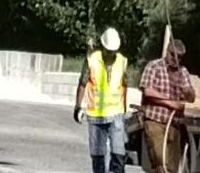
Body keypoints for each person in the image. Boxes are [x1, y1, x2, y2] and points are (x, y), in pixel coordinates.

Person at [76, 27, 130, 173]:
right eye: (108, 50)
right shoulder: (91, 60)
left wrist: (124, 110)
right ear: (103, 47)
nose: (111, 53)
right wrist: (78, 106)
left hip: (116, 113)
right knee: (98, 156)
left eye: (113, 50)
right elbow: (82, 83)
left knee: (119, 154)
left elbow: (124, 86)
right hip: (96, 116)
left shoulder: (122, 61)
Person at [139, 35, 193, 173]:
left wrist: (187, 92)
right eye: (173, 55)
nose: (175, 60)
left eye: (179, 57)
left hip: (174, 124)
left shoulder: (183, 72)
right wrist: (171, 103)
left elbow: (191, 98)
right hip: (155, 121)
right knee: (160, 161)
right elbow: (148, 92)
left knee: (172, 167)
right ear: (167, 52)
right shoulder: (154, 67)